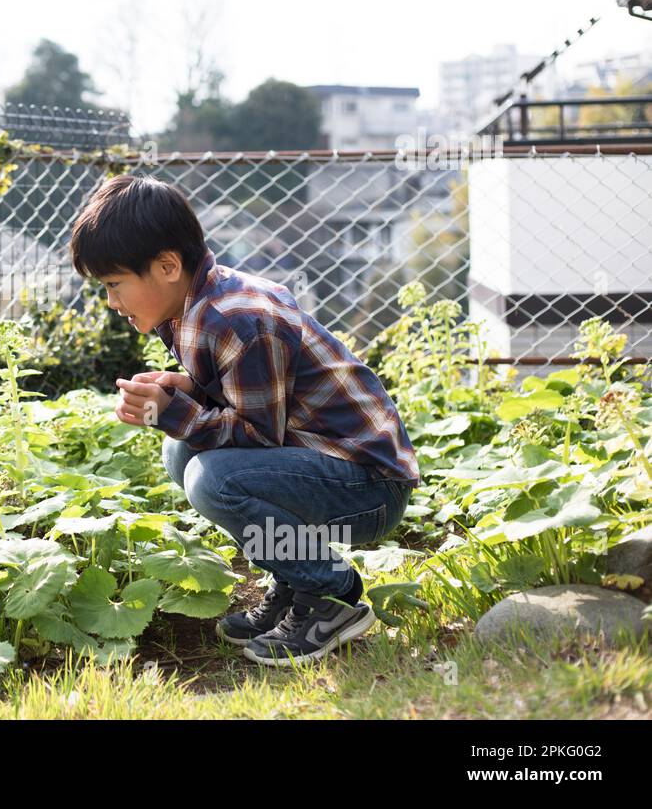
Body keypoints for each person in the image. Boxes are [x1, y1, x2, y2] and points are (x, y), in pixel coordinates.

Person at [68, 174, 421, 665]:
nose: (112, 302)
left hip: (368, 487)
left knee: (211, 479)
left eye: (114, 285)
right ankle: (295, 578)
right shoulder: (194, 303)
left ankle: (330, 595)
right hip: (317, 460)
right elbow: (251, 399)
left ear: (167, 265)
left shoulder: (238, 318)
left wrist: (174, 412)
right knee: (182, 451)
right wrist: (185, 387)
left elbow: (257, 435)